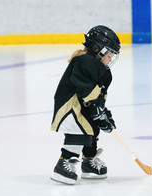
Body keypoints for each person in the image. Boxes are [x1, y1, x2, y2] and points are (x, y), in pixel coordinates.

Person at [50, 25, 121, 185]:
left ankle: (88, 161)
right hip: (71, 107)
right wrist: (97, 107)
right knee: (79, 130)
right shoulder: (84, 61)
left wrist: (104, 115)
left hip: (83, 106)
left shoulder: (101, 70)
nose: (110, 59)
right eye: (108, 54)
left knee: (92, 128)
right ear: (97, 48)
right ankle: (64, 162)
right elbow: (85, 88)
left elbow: (99, 95)